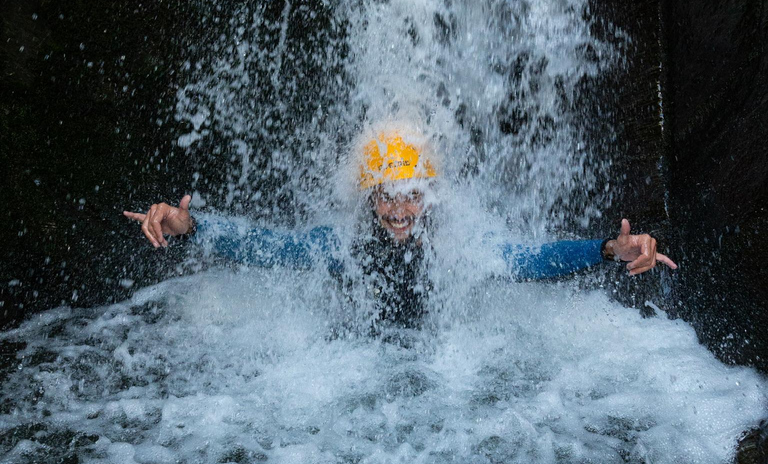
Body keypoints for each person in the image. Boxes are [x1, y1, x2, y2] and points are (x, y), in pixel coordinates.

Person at [124, 126, 677, 329]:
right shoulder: (340, 243)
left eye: (413, 194)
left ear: (429, 198)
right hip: (363, 368)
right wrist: (192, 226)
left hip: (436, 376)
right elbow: (269, 247)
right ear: (369, 198)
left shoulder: (457, 245)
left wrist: (607, 248)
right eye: (387, 195)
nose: (400, 209)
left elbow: (530, 260)